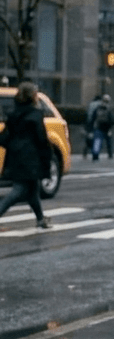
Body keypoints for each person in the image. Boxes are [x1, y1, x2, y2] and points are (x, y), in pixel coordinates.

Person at [0, 82, 52, 229]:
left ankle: (41, 219)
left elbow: (4, 137)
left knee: (33, 190)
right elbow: (41, 139)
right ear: (32, 96)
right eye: (36, 94)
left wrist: (14, 145)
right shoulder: (35, 115)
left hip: (15, 156)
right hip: (30, 158)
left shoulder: (13, 114)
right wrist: (46, 159)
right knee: (19, 190)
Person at [87, 94, 114, 160]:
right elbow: (112, 120)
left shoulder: (98, 108)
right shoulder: (109, 109)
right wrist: (110, 128)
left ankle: (95, 156)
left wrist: (90, 128)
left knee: (97, 142)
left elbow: (93, 118)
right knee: (108, 143)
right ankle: (110, 155)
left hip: (99, 127)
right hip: (106, 128)